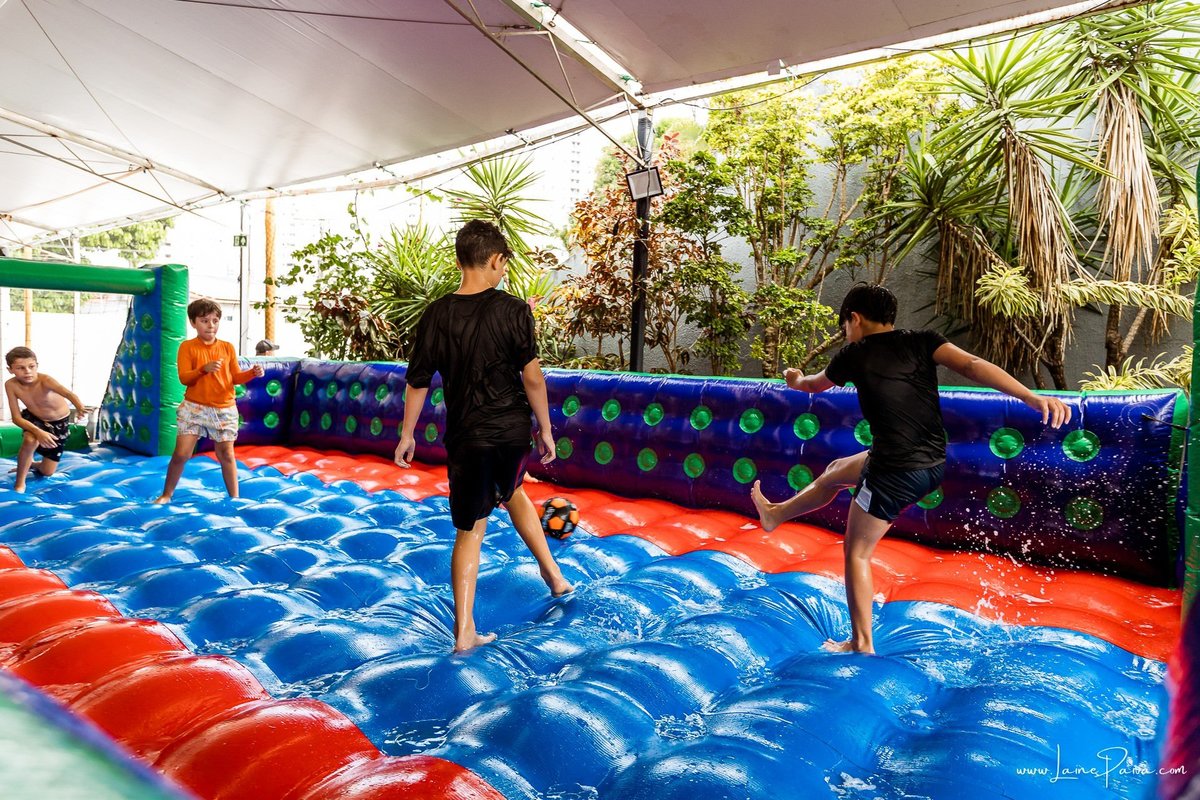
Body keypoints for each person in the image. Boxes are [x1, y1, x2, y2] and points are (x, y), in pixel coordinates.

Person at [751, 283, 1071, 655]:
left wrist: (793, 380)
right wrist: (1030, 396)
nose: (846, 333)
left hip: (893, 470)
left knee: (857, 553)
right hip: (930, 463)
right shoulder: (923, 340)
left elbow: (813, 385)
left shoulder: (854, 353)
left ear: (854, 319)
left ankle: (861, 643)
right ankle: (776, 514)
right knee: (837, 470)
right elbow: (971, 364)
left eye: (845, 326)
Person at [394, 219, 573, 654]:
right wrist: (546, 428)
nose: (503, 271)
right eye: (504, 264)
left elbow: (418, 381)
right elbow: (533, 377)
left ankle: (465, 632)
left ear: (460, 261)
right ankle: (553, 575)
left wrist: (407, 434)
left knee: (471, 530)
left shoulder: (436, 314)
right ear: (495, 260)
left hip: (468, 436)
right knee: (512, 489)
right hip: (511, 433)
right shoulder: (514, 310)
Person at [153, 298, 263, 504]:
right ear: (193, 323)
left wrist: (252, 373)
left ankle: (235, 498)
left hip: (224, 409)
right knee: (181, 454)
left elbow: (235, 377)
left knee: (226, 455)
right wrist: (203, 369)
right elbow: (184, 378)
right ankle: (166, 494)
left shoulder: (227, 347)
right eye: (204, 321)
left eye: (215, 321)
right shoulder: (187, 347)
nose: (210, 325)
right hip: (194, 407)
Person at [4, 347, 86, 492]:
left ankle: (33, 464)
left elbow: (68, 394)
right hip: (34, 418)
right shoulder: (11, 385)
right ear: (10, 370)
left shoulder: (45, 380)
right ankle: (20, 483)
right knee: (30, 440)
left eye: (31, 366)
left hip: (59, 423)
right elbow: (16, 418)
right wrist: (38, 432)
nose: (27, 371)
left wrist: (80, 407)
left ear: (37, 365)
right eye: (20, 368)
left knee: (47, 471)